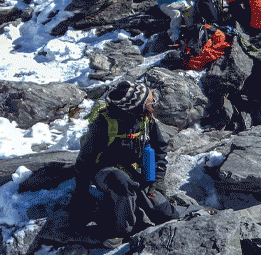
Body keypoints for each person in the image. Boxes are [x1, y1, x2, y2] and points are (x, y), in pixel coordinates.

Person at [66, 80, 178, 244]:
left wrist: (158, 178)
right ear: (137, 106)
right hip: (105, 170)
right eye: (149, 101)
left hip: (135, 170)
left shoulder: (146, 119)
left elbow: (159, 148)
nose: (153, 103)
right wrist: (80, 192)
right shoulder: (104, 122)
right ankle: (120, 231)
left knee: (167, 215)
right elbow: (85, 159)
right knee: (122, 183)